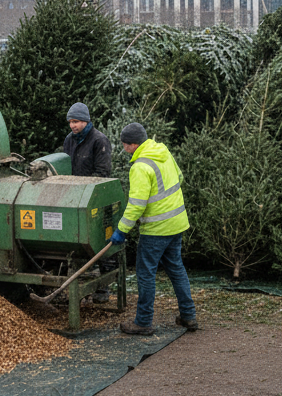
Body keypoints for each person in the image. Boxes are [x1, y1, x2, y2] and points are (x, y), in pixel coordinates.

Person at [113, 122, 198, 335]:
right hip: (177, 223)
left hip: (156, 229)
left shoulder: (140, 166)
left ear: (132, 144)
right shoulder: (163, 151)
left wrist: (122, 230)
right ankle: (188, 316)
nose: (124, 149)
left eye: (124, 145)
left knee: (146, 273)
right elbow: (178, 178)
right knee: (177, 269)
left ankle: (142, 322)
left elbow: (136, 204)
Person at [61, 102, 116, 302]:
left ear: (85, 120)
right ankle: (75, 285)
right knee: (74, 241)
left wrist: (85, 188)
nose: (72, 126)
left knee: (99, 241)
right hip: (73, 198)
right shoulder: (69, 140)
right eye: (70, 122)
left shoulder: (99, 140)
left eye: (75, 121)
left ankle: (103, 288)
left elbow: (103, 173)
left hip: (95, 199)